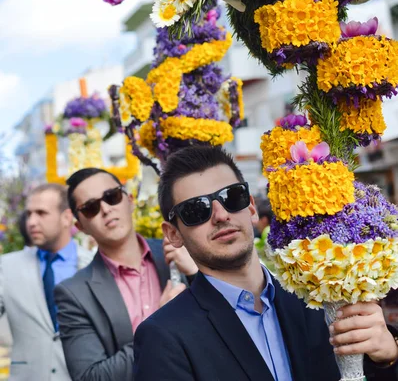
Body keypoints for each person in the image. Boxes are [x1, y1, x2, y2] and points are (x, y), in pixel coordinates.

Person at [134, 145, 398, 381]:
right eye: (196, 210)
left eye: (231, 196)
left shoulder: (320, 298)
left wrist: (387, 358)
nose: (221, 215)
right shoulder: (164, 337)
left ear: (250, 207)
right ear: (173, 234)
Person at [54, 167, 198, 381]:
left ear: (129, 200)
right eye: (91, 207)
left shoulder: (181, 253)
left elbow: (227, 322)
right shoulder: (75, 293)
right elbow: (90, 377)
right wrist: (156, 324)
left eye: (111, 197)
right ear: (80, 226)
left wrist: (197, 274)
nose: (105, 209)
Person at [0, 183, 93, 381]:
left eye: (41, 213)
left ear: (67, 217)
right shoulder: (6, 267)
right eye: (29, 214)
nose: (31, 222)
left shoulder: (93, 265)